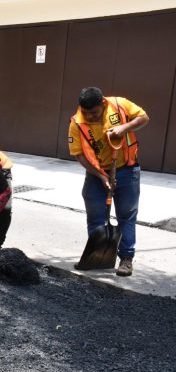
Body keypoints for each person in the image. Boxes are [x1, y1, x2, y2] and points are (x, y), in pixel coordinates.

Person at [68, 87, 149, 277]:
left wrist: (124, 128)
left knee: (126, 216)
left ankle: (126, 259)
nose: (89, 116)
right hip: (97, 173)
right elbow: (78, 155)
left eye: (93, 112)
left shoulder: (119, 104)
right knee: (95, 217)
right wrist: (101, 176)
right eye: (85, 112)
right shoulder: (76, 122)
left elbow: (144, 118)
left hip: (127, 170)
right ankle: (97, 257)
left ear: (102, 104)